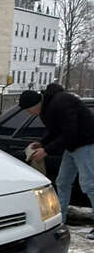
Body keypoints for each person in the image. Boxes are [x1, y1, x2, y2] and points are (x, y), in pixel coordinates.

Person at [18, 84, 94, 239]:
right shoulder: (47, 108)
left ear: (35, 104)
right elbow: (57, 132)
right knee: (62, 182)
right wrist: (42, 143)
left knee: (89, 185)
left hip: (86, 143)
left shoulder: (61, 103)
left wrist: (46, 151)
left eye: (28, 109)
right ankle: (60, 220)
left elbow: (70, 132)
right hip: (72, 146)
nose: (28, 113)